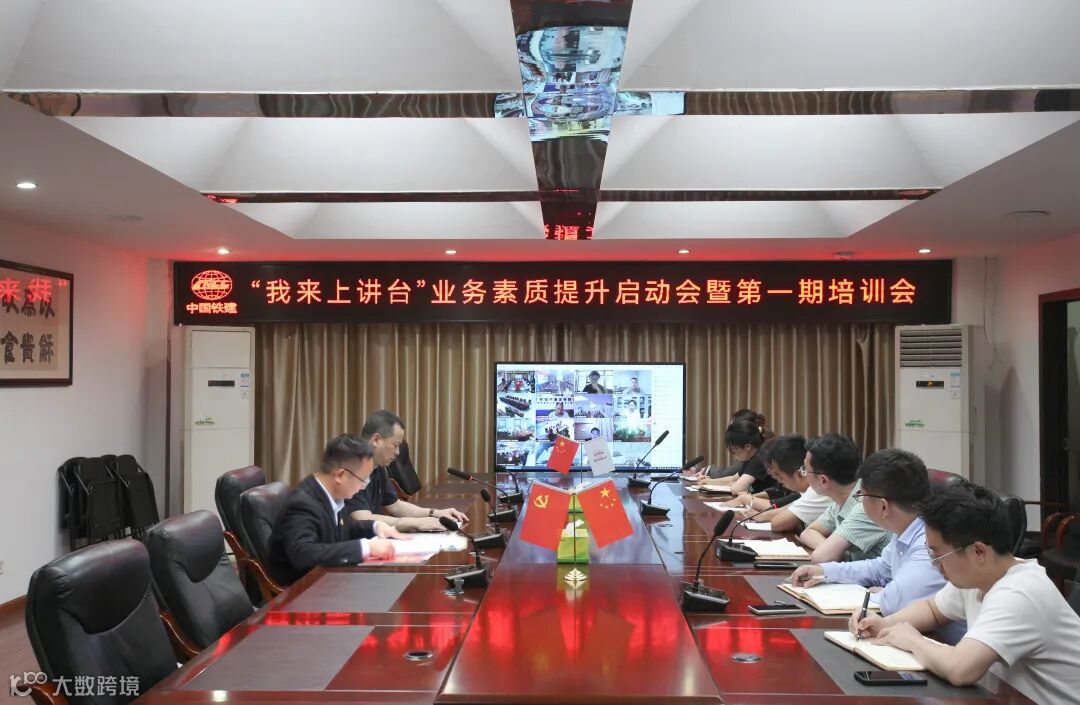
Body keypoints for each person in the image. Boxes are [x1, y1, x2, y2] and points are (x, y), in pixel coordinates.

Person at [853, 483, 1080, 703]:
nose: (935, 566)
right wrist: (885, 625)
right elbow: (932, 610)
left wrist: (913, 641)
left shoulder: (1019, 593)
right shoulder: (980, 577)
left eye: (937, 556)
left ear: (978, 551)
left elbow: (960, 669)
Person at [790, 449, 962, 642]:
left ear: (883, 506)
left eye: (861, 496)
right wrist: (824, 571)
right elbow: (880, 568)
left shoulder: (929, 543)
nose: (860, 502)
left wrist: (884, 593)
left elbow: (895, 603)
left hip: (947, 646)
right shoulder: (905, 528)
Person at [267, 434, 406, 585]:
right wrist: (366, 547)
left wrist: (375, 526)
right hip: (302, 590)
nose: (363, 487)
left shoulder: (332, 495)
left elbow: (345, 528)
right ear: (340, 475)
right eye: (363, 479)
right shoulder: (302, 504)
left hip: (328, 580)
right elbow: (304, 554)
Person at [346, 410, 469, 531]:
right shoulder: (350, 468)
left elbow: (396, 506)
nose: (398, 452)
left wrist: (435, 513)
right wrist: (416, 523)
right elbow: (364, 519)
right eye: (395, 445)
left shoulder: (378, 468)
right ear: (376, 440)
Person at [798, 433, 890, 563]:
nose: (804, 474)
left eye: (805, 470)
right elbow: (808, 532)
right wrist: (833, 551)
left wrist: (830, 551)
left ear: (823, 480)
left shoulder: (866, 505)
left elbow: (821, 556)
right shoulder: (841, 499)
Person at [719, 434, 831, 533]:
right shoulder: (810, 488)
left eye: (779, 476)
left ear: (798, 474)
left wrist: (759, 514)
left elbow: (778, 523)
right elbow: (790, 508)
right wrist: (759, 515)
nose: (778, 481)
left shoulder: (818, 490)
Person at [697, 419, 776, 495]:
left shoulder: (758, 458)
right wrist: (709, 481)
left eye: (734, 449)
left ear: (748, 446)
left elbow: (736, 489)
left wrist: (733, 484)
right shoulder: (750, 457)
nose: (734, 453)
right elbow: (734, 478)